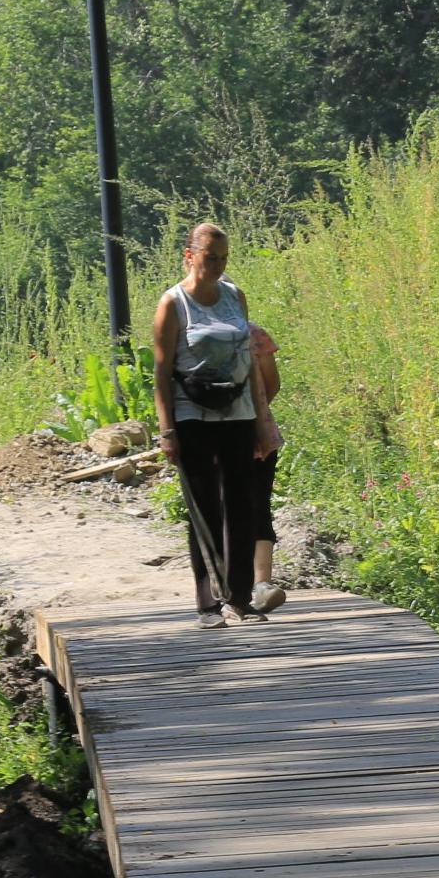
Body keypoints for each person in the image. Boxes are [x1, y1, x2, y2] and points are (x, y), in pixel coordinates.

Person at [152, 223, 277, 628]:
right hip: (193, 415)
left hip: (237, 412)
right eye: (210, 258)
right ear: (190, 256)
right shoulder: (174, 304)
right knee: (205, 508)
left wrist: (261, 420)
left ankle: (240, 600)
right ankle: (207, 603)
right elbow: (161, 371)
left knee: (242, 506)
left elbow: (249, 360)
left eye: (223, 258)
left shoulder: (234, 295)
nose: (218, 266)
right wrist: (167, 429)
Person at [245, 320, 286, 613]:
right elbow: (271, 382)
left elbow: (272, 383)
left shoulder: (253, 333)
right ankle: (257, 584)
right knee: (257, 506)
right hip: (258, 434)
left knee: (254, 506)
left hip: (254, 437)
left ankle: (260, 584)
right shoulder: (254, 333)